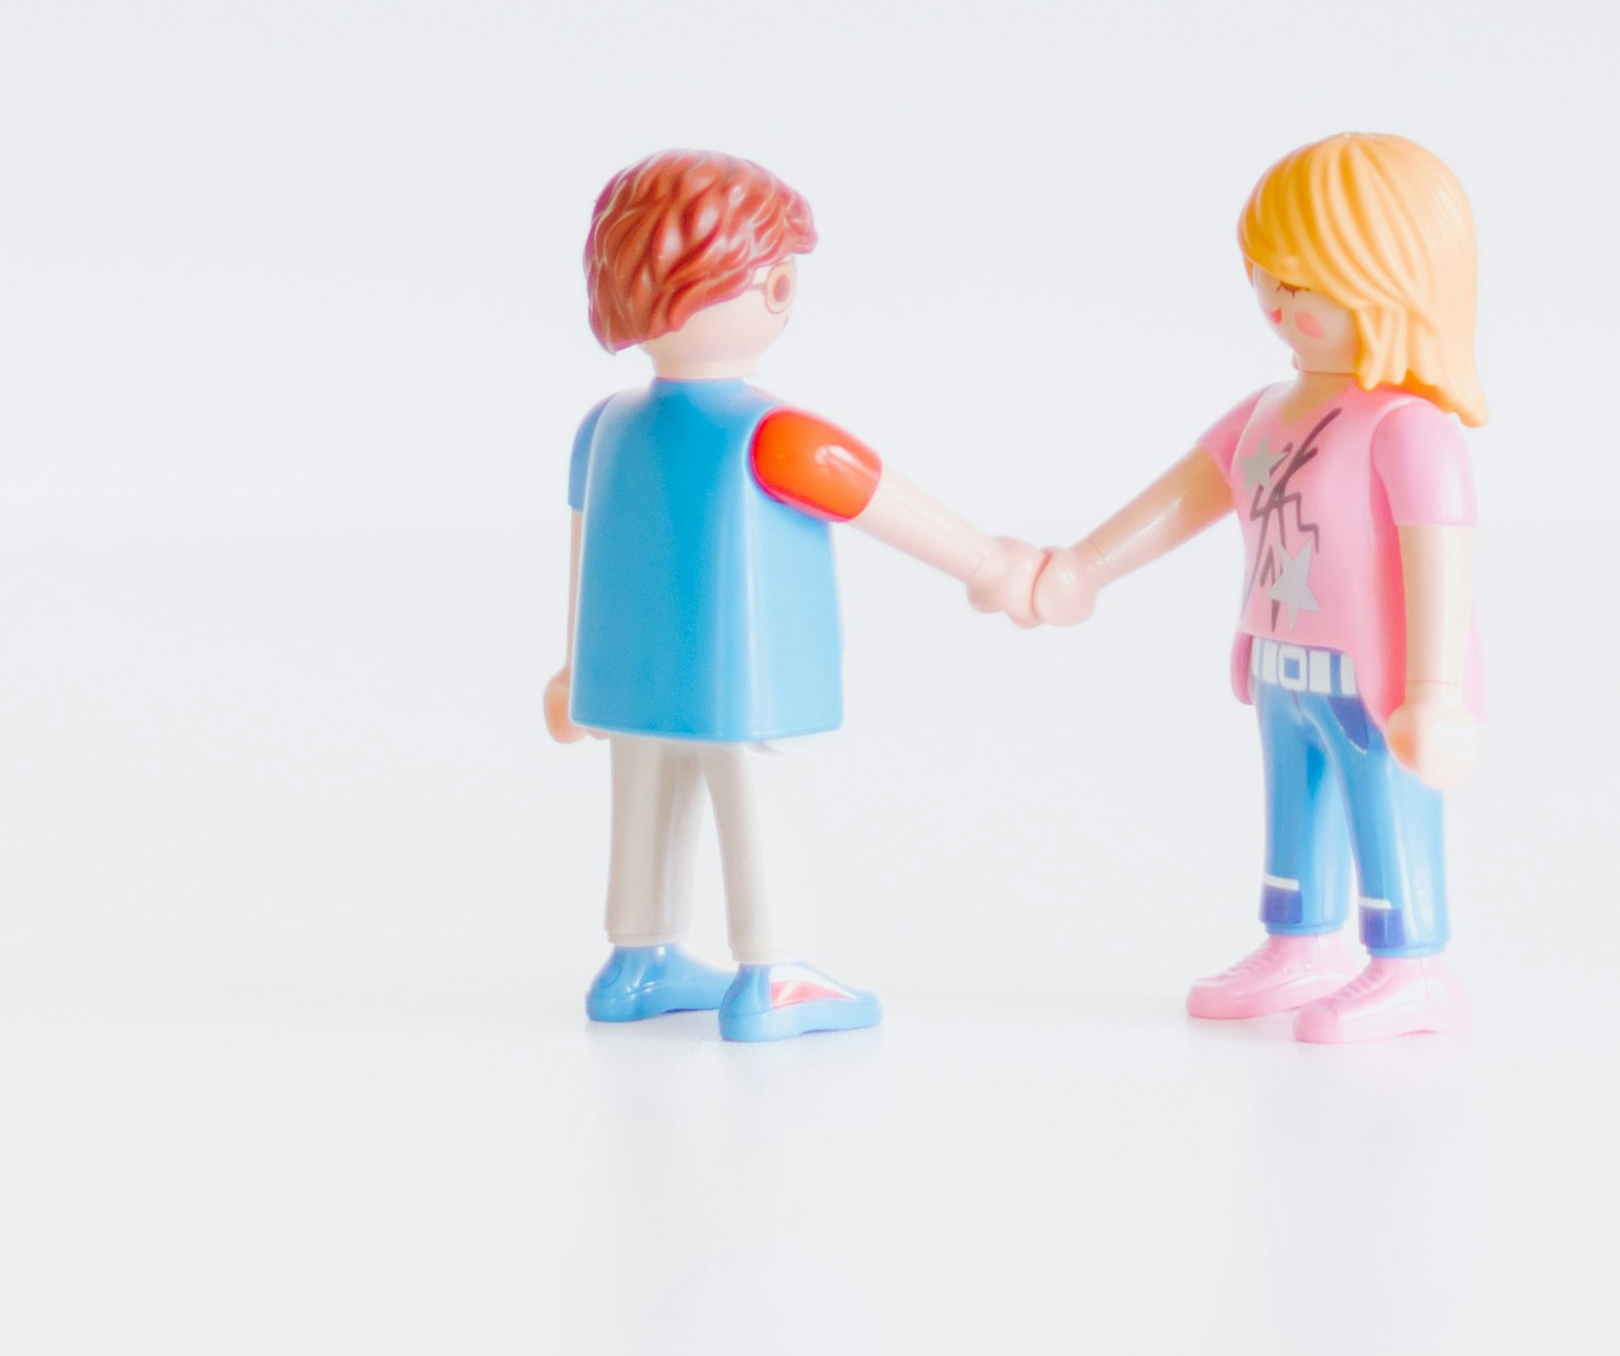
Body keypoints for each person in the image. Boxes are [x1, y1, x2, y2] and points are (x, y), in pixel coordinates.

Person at [544, 149, 1041, 1042]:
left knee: (642, 805)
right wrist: (993, 567)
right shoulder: (775, 434)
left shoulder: (604, 427)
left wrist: (574, 667)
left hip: (628, 685)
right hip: (744, 681)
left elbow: (585, 545)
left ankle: (636, 959)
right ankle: (774, 973)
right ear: (765, 285)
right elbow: (882, 499)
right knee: (758, 809)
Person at [1028, 134, 1490, 1044]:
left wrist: (1436, 693)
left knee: (1386, 804)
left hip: (1374, 683)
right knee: (1294, 808)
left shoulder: (1410, 428)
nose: (1278, 298)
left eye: (1307, 279)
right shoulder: (1266, 411)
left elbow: (1440, 561)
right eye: (1267, 272)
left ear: (1396, 282)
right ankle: (1299, 944)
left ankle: (1413, 966)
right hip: (1281, 664)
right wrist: (1085, 565)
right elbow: (1184, 497)